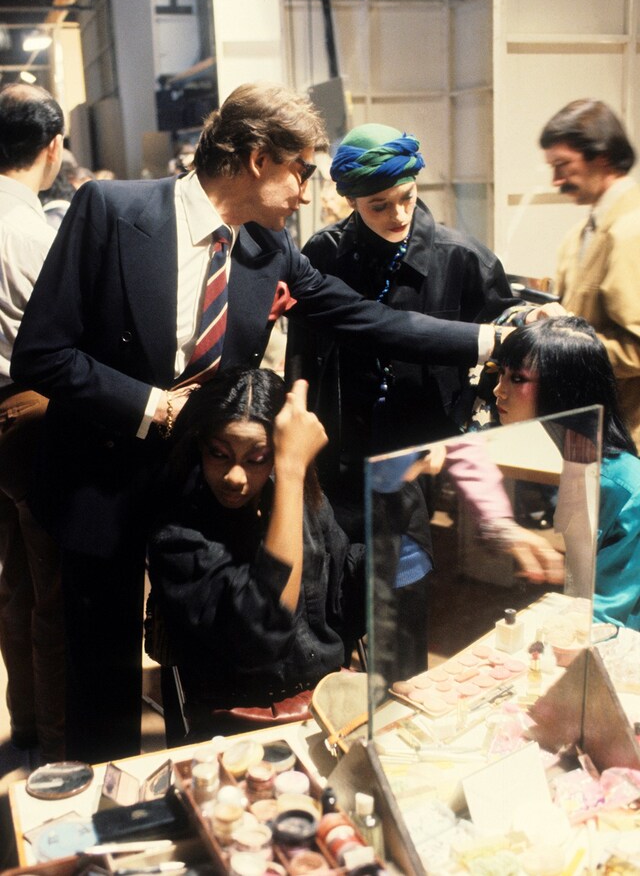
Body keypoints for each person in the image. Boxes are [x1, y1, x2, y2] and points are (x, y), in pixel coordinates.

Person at [11, 82, 504, 763]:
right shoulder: (112, 210)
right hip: (103, 480)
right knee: (104, 680)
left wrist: (490, 342)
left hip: (210, 491)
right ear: (255, 158)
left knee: (212, 654)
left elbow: (368, 320)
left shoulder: (266, 252)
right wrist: (153, 406)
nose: (309, 191)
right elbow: (42, 352)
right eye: (302, 171)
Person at [286, 122, 549, 542]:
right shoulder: (323, 253)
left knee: (407, 578)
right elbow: (301, 354)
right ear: (350, 201)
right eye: (379, 205)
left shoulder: (464, 258)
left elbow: (503, 350)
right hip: (339, 447)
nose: (399, 215)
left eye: (407, 197)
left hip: (428, 453)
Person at [147, 368, 365, 740]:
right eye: (220, 454)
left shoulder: (302, 498)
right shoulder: (179, 534)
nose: (235, 476)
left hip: (328, 703)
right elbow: (264, 630)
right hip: (237, 725)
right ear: (200, 445)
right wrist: (292, 471)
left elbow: (341, 601)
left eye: (256, 458)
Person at [493, 315, 640, 628]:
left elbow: (605, 613)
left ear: (563, 388)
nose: (498, 390)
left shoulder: (626, 491)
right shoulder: (569, 460)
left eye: (516, 379)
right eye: (500, 374)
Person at [0, 82, 65, 762]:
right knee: (54, 593)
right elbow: (68, 339)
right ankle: (56, 741)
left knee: (13, 583)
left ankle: (23, 723)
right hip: (30, 419)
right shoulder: (29, 230)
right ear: (52, 149)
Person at [539, 99, 640, 450]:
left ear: (602, 157)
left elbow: (637, 348)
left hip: (626, 440)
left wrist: (558, 355)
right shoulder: (585, 230)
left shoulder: (630, 231)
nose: (556, 181)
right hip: (592, 436)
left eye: (563, 166)